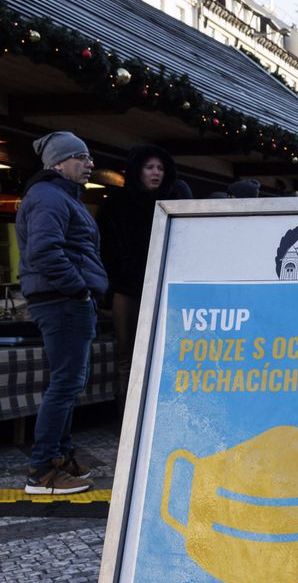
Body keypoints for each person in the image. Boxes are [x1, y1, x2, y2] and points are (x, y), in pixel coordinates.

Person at [17, 132, 109, 495]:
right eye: (81, 157)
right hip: (62, 302)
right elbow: (44, 252)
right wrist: (78, 288)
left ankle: (59, 458)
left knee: (69, 384)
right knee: (66, 384)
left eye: (89, 157)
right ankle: (42, 471)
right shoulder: (50, 197)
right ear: (59, 162)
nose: (89, 164)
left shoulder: (58, 196)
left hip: (63, 300)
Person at [99, 145, 193, 404]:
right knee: (127, 356)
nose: (156, 173)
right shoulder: (116, 203)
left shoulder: (174, 201)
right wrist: (125, 273)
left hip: (165, 289)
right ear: (137, 170)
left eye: (161, 168)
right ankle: (126, 421)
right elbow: (107, 248)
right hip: (127, 289)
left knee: (164, 354)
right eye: (150, 167)